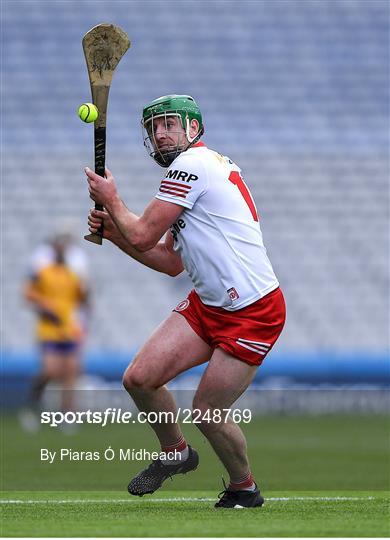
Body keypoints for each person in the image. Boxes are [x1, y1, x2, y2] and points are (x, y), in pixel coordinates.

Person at [86, 95, 286, 508]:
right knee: (139, 378)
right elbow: (170, 261)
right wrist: (114, 233)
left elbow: (142, 235)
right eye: (154, 128)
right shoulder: (194, 173)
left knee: (208, 410)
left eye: (169, 125)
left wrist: (112, 200)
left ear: (192, 129)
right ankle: (176, 452)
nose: (160, 134)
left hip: (253, 312)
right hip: (209, 305)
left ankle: (243, 488)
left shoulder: (191, 166)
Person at [21, 231, 90, 428]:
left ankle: (67, 416)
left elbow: (83, 299)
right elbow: (28, 294)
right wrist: (45, 306)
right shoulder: (44, 272)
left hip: (69, 329)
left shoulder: (72, 274)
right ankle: (33, 402)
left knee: (70, 373)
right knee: (50, 370)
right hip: (50, 329)